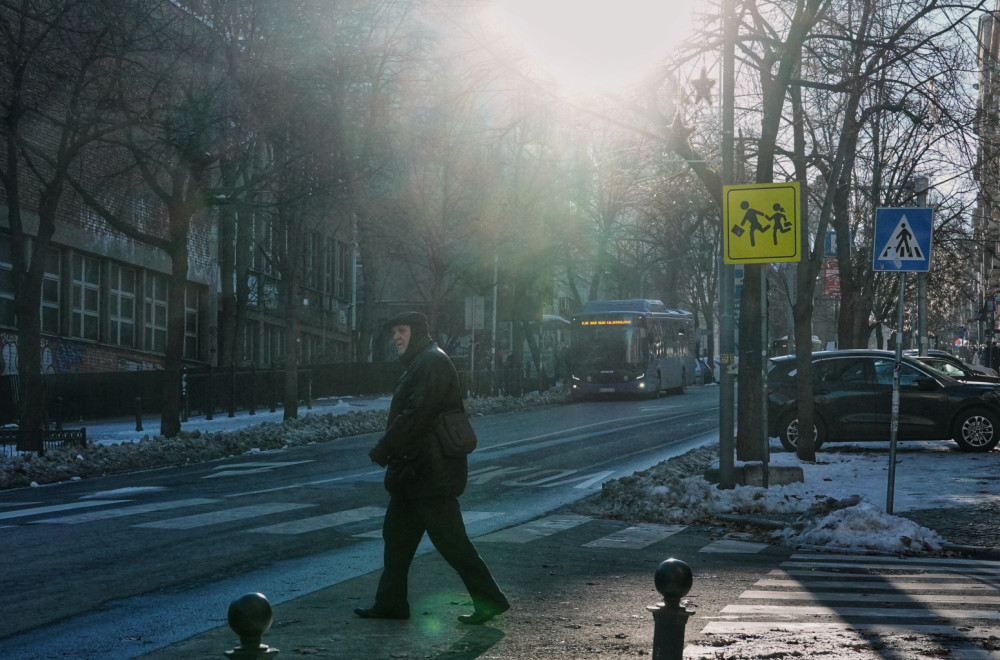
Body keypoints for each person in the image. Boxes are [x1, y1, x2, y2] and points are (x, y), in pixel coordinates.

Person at [356, 311, 510, 625]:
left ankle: (491, 599)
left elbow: (417, 414)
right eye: (394, 332)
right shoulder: (422, 361)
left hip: (431, 475)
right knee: (396, 540)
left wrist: (385, 447)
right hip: (414, 474)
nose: (397, 337)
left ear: (417, 331)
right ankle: (391, 603)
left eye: (402, 331)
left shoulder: (431, 362)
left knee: (452, 543)